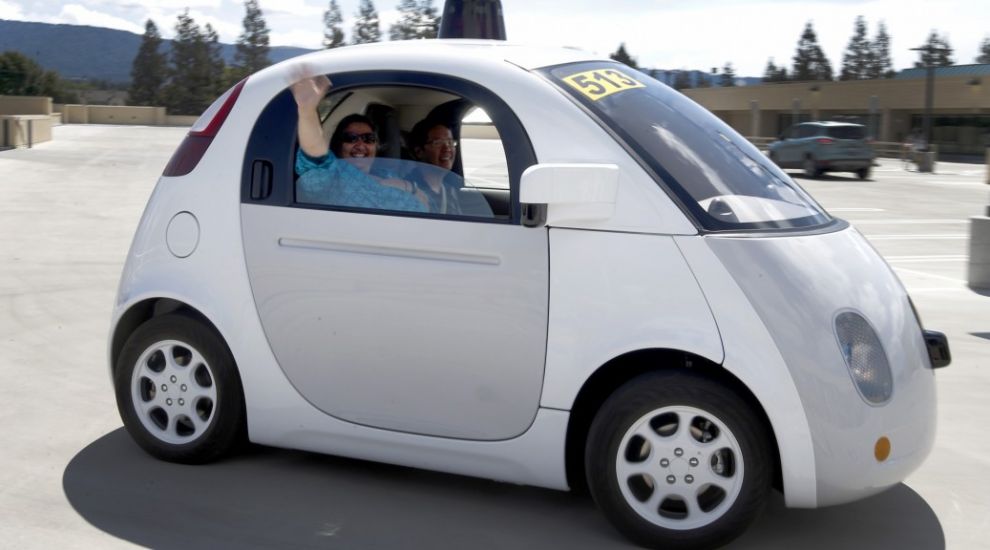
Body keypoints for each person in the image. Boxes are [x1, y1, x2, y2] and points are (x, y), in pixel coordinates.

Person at [291, 74, 427, 212]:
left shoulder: (387, 174)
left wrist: (409, 186)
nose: (361, 145)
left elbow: (425, 204)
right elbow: (314, 158)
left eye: (368, 138)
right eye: (351, 138)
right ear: (339, 144)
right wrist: (307, 111)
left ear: (376, 145)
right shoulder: (333, 177)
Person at [406, 116, 492, 217]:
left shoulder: (449, 190)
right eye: (438, 143)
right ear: (419, 152)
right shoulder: (408, 190)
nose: (447, 148)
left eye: (450, 142)